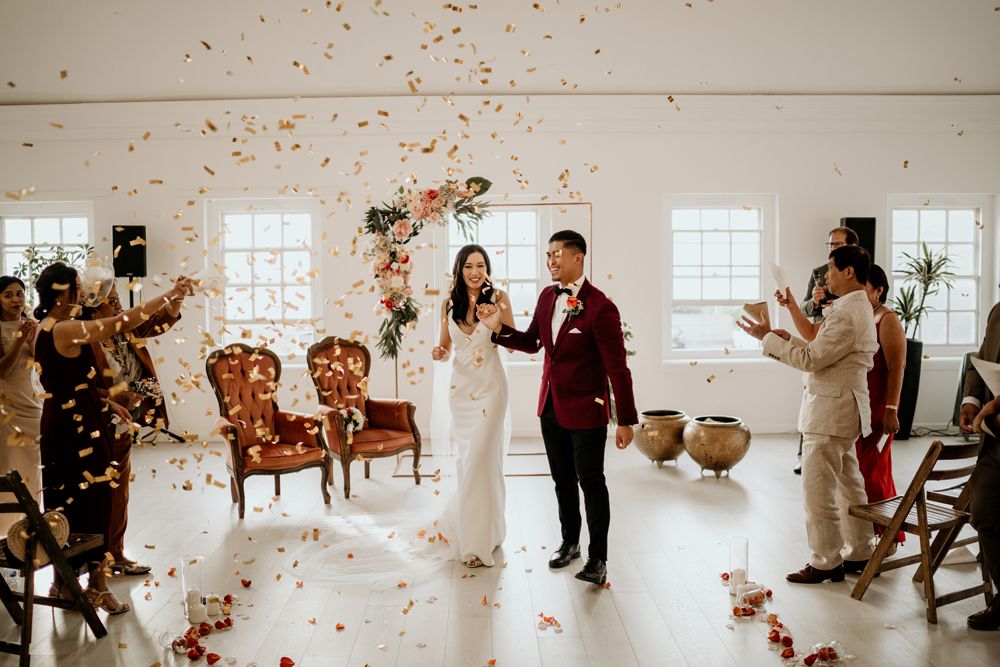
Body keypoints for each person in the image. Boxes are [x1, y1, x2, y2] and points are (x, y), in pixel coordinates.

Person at [479, 230, 637, 586]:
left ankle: (598, 559)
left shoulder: (601, 307)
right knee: (562, 481)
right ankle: (570, 543)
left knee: (591, 483)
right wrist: (497, 328)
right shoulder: (547, 297)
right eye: (548, 254)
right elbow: (533, 341)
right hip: (550, 407)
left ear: (578, 257)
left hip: (587, 411)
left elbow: (618, 368)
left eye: (557, 254)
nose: (550, 260)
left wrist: (626, 420)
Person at [33, 262, 191, 614]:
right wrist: (169, 294)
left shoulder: (46, 327)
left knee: (67, 503)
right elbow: (122, 322)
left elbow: (65, 381)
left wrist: (106, 401)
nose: (82, 292)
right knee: (95, 501)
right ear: (61, 295)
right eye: (76, 287)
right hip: (78, 428)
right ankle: (97, 587)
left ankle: (64, 583)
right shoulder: (65, 328)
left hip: (65, 421)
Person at [739, 245, 876, 583]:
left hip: (830, 412)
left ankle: (826, 561)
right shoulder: (857, 307)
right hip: (845, 409)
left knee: (818, 492)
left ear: (848, 272)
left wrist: (768, 339)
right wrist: (787, 338)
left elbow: (811, 361)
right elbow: (823, 352)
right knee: (849, 485)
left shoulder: (845, 313)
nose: (826, 276)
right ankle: (860, 550)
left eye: (830, 269)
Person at [776, 264, 906, 546]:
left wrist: (891, 408)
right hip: (851, 403)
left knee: (873, 473)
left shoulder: (885, 319)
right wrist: (791, 306)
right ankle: (860, 540)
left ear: (878, 291)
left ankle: (886, 536)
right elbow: (812, 335)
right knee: (852, 476)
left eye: (863, 288)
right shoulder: (848, 312)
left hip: (874, 404)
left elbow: (897, 367)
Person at [83, 281, 186, 576]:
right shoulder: (87, 339)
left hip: (127, 419)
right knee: (102, 492)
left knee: (119, 491)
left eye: (118, 299)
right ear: (94, 309)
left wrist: (177, 298)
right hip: (98, 421)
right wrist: (114, 396)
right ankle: (97, 560)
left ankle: (116, 553)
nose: (119, 305)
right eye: (112, 301)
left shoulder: (124, 329)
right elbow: (79, 386)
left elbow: (158, 323)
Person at [431, 244, 511, 569]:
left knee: (480, 459)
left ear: (487, 269)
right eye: (468, 266)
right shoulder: (448, 304)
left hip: (491, 389)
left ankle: (476, 546)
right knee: (471, 463)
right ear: (459, 270)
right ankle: (488, 531)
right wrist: (439, 353)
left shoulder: (499, 298)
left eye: (480, 265)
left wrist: (494, 323)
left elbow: (512, 342)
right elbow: (445, 348)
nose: (475, 272)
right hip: (460, 393)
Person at [793, 226, 860, 475]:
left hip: (847, 338)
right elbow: (804, 308)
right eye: (830, 244)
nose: (832, 249)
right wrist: (815, 301)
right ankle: (804, 454)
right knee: (810, 395)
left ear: (852, 247)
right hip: (820, 337)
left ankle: (845, 454)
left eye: (838, 245)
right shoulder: (819, 272)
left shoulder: (861, 272)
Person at [961, 292, 1000, 630]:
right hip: (995, 440)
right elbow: (981, 360)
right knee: (984, 512)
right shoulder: (998, 312)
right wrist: (972, 401)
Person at [0, 276, 42, 533]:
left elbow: (40, 365)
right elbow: (2, 371)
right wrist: (18, 341)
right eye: (8, 295)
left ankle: (31, 528)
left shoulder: (31, 325)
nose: (16, 299)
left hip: (30, 402)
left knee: (32, 467)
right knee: (6, 465)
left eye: (20, 293)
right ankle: (5, 531)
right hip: (5, 405)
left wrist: (31, 341)